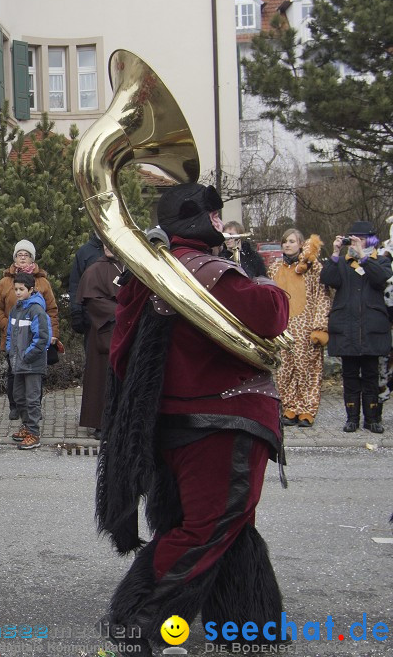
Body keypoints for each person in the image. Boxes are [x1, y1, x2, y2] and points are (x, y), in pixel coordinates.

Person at [98, 183, 289, 655]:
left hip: (176, 421)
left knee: (225, 523)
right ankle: (138, 620)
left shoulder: (151, 273)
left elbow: (125, 355)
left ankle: (248, 624)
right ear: (207, 221)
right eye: (218, 217)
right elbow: (273, 314)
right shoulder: (207, 270)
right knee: (208, 526)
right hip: (224, 419)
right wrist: (259, 275)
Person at [321, 221, 392, 434]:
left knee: (371, 376)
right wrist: (334, 253)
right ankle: (352, 418)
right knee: (350, 377)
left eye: (360, 239)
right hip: (347, 329)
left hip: (371, 329)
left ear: (369, 241)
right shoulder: (342, 263)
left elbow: (381, 279)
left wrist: (363, 257)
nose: (355, 243)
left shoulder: (380, 261)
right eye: (352, 239)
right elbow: (326, 279)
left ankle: (372, 419)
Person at [0, 240, 60, 422]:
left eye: (26, 255)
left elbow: (51, 310)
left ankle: (34, 408)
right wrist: (7, 326)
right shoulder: (5, 282)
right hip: (12, 338)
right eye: (19, 255)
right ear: (14, 258)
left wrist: (52, 334)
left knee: (34, 376)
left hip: (34, 339)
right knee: (14, 373)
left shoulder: (42, 282)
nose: (22, 258)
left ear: (32, 259)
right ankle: (15, 406)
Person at [268, 230, 330, 428]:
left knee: (307, 370)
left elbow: (322, 297)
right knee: (285, 370)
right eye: (285, 241)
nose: (287, 245)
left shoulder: (313, 268)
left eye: (292, 241)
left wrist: (320, 327)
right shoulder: (275, 267)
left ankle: (306, 410)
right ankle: (289, 408)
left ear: (301, 243)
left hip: (306, 327)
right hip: (283, 327)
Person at [75, 248, 124, 439]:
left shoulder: (129, 266)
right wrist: (119, 311)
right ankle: (100, 423)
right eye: (105, 244)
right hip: (104, 330)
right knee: (100, 378)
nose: (108, 247)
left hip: (128, 330)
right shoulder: (95, 269)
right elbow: (92, 301)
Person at [6, 272, 50, 450]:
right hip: (18, 363)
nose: (17, 292)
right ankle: (26, 426)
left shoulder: (36, 310)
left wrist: (26, 356)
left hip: (32, 364)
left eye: (21, 289)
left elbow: (41, 338)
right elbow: (10, 334)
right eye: (15, 289)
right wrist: (10, 350)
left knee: (32, 399)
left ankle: (34, 433)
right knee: (19, 396)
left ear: (31, 289)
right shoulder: (16, 309)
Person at [68, 231, 104, 335]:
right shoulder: (84, 252)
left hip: (116, 316)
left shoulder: (118, 249)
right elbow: (75, 284)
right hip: (91, 317)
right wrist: (76, 312)